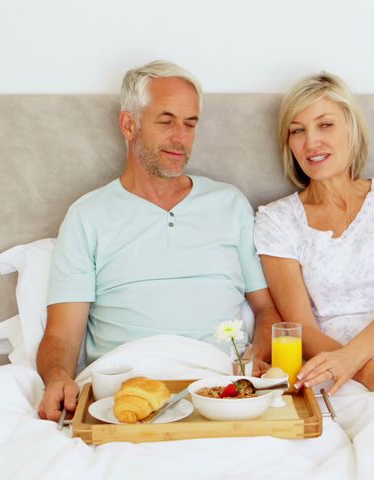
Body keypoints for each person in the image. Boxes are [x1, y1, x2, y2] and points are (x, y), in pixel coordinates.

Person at [37, 61, 280, 422]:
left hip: (216, 385)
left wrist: (260, 352)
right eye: (166, 121)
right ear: (128, 124)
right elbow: (62, 335)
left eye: (190, 123)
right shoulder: (88, 216)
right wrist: (57, 376)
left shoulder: (229, 204)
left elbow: (266, 309)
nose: (180, 137)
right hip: (123, 385)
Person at [254, 72, 374, 396]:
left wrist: (354, 359)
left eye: (325, 125)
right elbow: (300, 328)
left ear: (351, 129)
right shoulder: (276, 220)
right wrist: (366, 372)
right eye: (297, 130)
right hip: (337, 367)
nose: (311, 141)